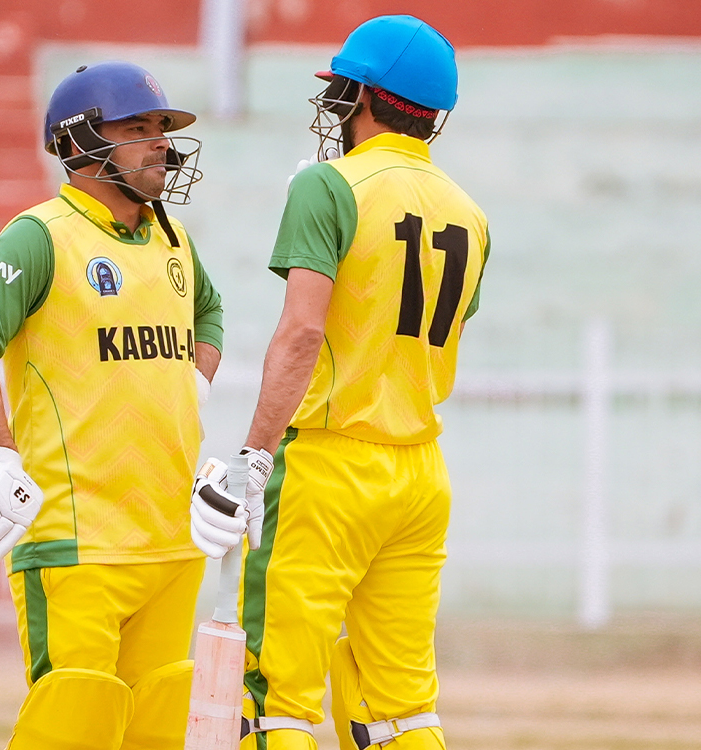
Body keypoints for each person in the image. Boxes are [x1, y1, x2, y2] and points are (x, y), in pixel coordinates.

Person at [188, 16, 488, 750]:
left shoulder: (330, 186)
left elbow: (303, 331)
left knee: (276, 700)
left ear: (364, 95)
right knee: (403, 711)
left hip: (329, 466)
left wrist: (255, 454)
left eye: (342, 91)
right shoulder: (470, 214)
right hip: (420, 474)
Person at [0, 60, 224, 750]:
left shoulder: (174, 240)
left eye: (163, 128)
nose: (161, 143)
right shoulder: (38, 236)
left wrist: (192, 389)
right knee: (76, 726)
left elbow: (209, 315)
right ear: (79, 143)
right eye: (138, 129)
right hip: (75, 541)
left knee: (154, 732)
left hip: (170, 540)